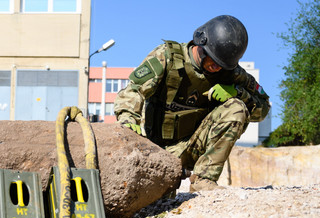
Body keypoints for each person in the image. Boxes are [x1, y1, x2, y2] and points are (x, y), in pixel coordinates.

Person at [114, 15, 270, 192]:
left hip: (193, 147)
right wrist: (128, 120)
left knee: (236, 108)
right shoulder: (168, 56)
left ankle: (203, 181)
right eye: (213, 60)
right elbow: (133, 90)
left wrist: (239, 93)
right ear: (201, 43)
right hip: (156, 152)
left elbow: (263, 110)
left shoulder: (231, 73)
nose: (217, 67)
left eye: (222, 65)